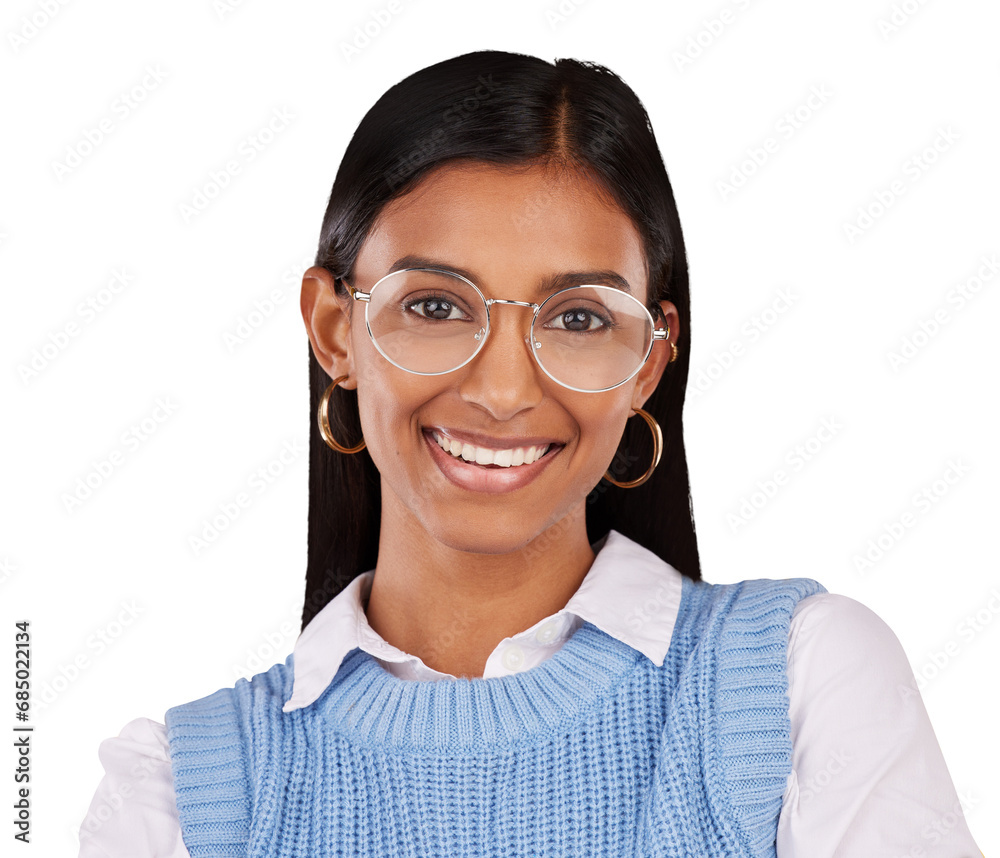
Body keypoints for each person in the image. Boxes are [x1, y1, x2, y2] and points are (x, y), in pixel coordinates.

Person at [77, 50, 982, 857]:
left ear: (649, 362)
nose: (504, 391)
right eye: (435, 305)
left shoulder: (796, 686)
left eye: (579, 318)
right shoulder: (181, 799)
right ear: (333, 328)